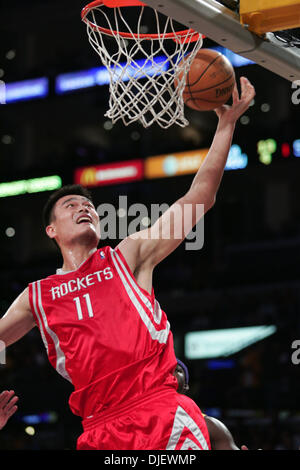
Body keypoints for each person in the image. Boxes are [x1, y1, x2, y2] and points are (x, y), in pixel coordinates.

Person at [0, 77, 255, 450]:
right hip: (100, 431)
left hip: (160, 412)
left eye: (88, 205)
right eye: (70, 206)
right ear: (51, 230)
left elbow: (199, 197)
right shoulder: (37, 296)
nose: (83, 207)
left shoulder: (129, 255)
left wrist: (226, 125)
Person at [174, 360, 248, 450]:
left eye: (177, 370)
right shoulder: (152, 419)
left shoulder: (210, 425)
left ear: (186, 385)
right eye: (165, 370)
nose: (170, 375)